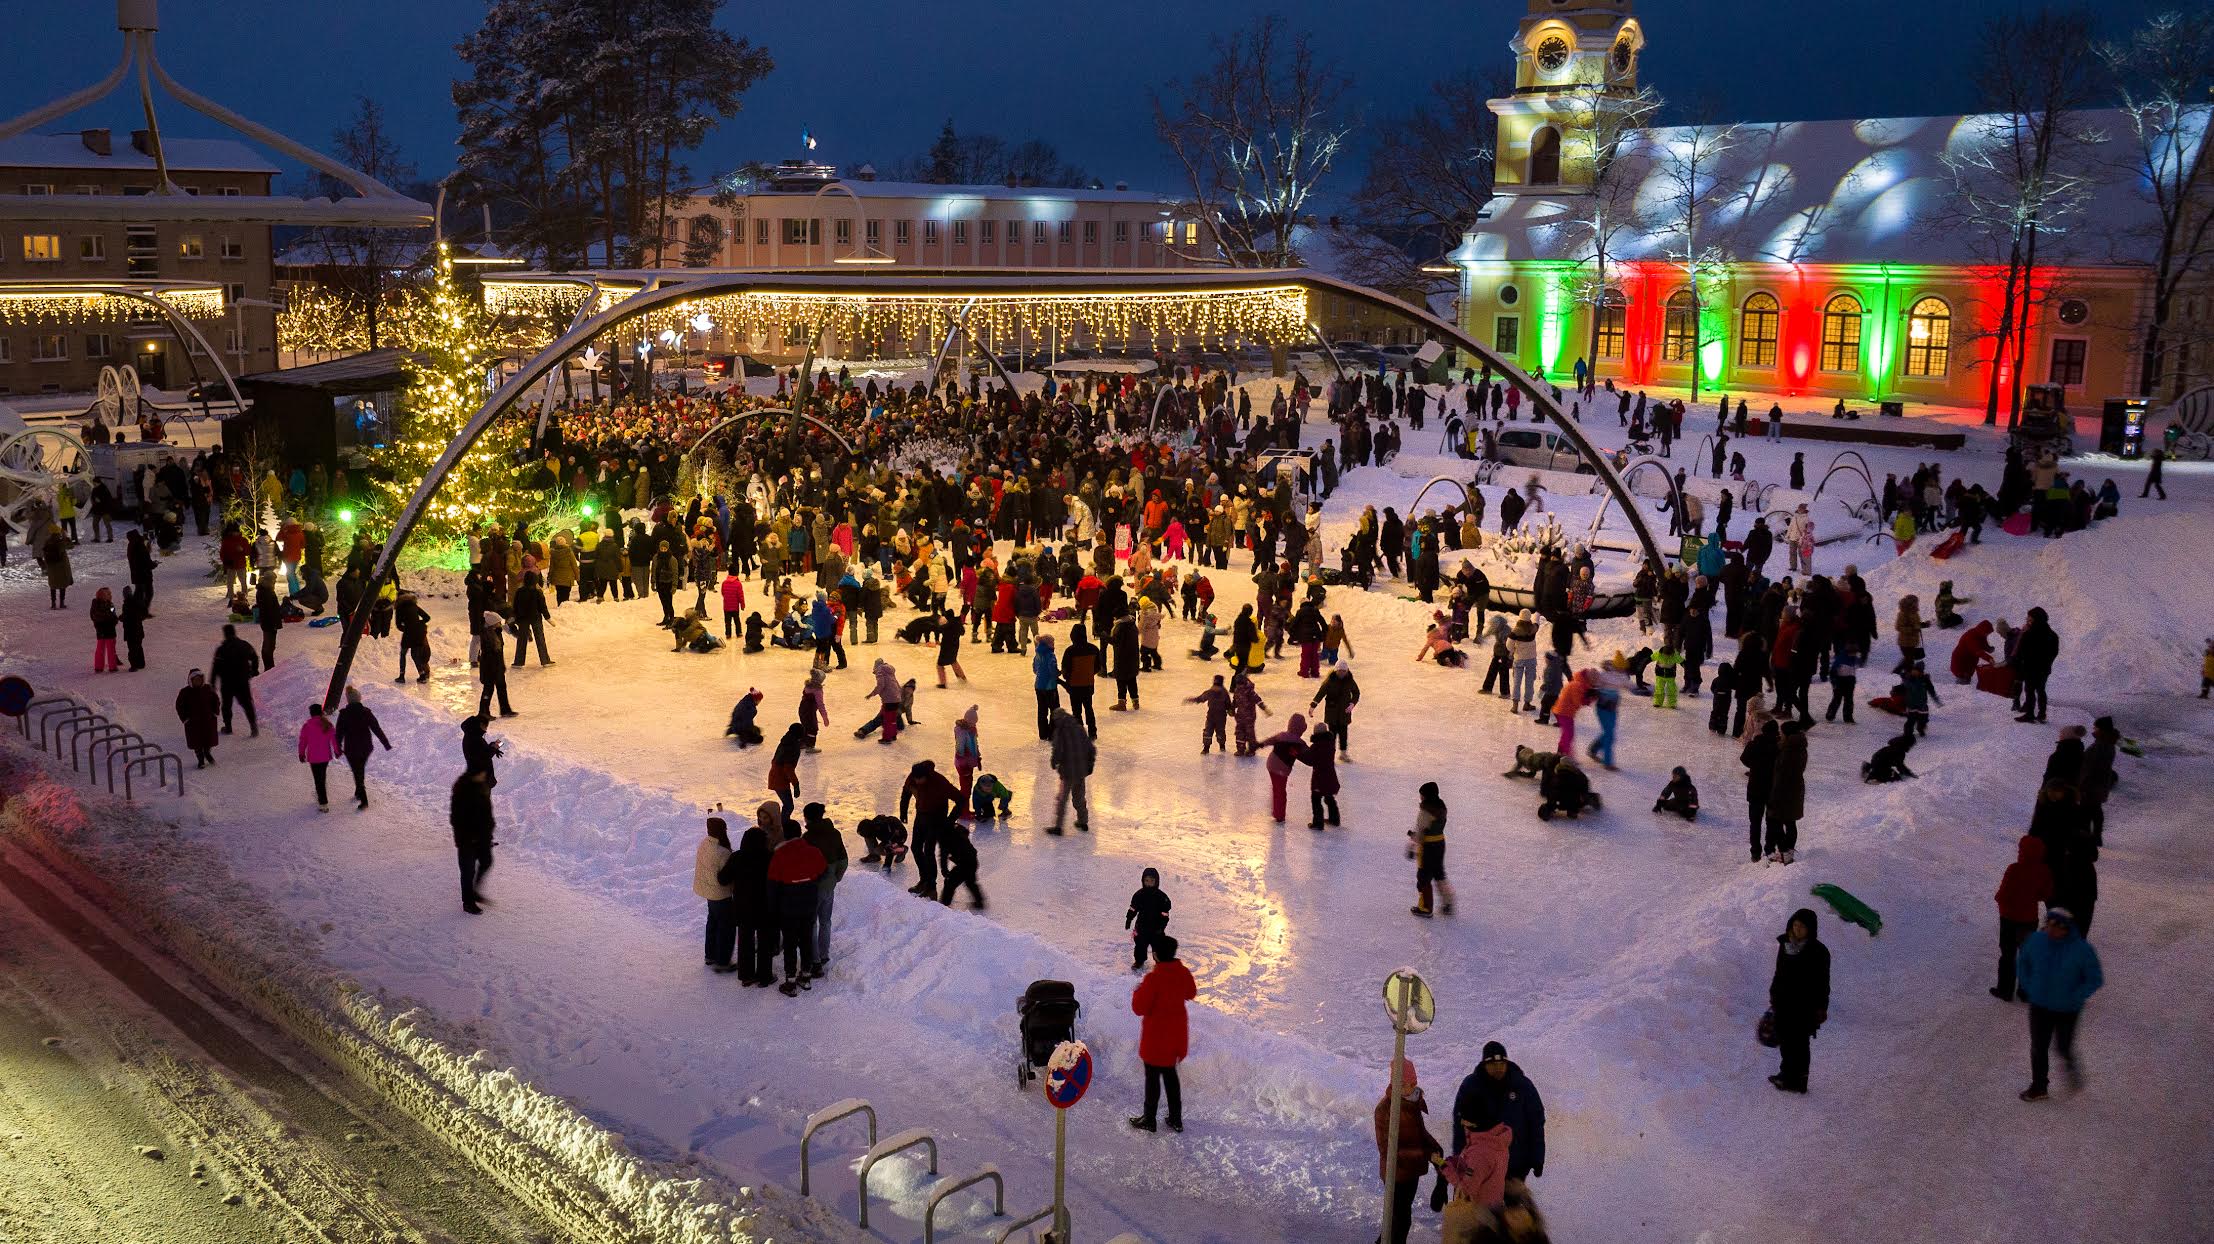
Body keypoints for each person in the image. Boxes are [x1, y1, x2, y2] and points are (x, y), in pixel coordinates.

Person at [2015, 906, 2102, 1100]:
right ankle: (2039, 1087)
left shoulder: (2082, 950)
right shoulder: (2035, 941)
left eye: (2058, 926)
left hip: (2067, 1010)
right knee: (2038, 1047)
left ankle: (2071, 1069)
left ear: (2067, 928)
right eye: (2050, 924)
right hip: (2040, 1006)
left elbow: (2095, 978)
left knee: (2063, 1047)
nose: (2052, 929)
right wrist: (2028, 985)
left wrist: (2076, 996)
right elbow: (2023, 962)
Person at [1450, 1042, 1546, 1185]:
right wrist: (1459, 1159)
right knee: (1487, 1203)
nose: (1498, 1068)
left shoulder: (1522, 1085)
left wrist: (1537, 1157)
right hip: (1482, 1164)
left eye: (1502, 1063)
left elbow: (1536, 1122)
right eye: (1493, 1064)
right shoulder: (1471, 1086)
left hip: (1516, 1163)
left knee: (1512, 1203)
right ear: (1485, 1065)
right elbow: (1460, 1125)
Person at [1129, 935, 1195, 1133]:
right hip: (1175, 1036)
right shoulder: (1182, 973)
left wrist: (1138, 990)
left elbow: (1139, 1007)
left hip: (1155, 1039)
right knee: (1170, 1077)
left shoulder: (1154, 979)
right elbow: (1191, 993)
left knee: (1152, 1079)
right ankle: (1176, 1119)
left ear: (1155, 955)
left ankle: (1149, 1119)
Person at [1374, 1058, 1446, 1244]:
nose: (1411, 1088)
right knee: (1399, 1220)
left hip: (1411, 1172)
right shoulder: (1384, 1110)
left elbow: (1420, 1134)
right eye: (1406, 1084)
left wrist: (1436, 1150)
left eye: (1414, 1083)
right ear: (1395, 1083)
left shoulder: (1412, 1102)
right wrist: (1424, 1154)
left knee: (1400, 1219)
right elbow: (1388, 1150)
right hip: (1395, 1175)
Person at [1766, 908, 1829, 1093]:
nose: (1797, 929)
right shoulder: (1785, 944)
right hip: (1784, 1003)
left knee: (1800, 1044)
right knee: (1786, 1041)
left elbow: (1823, 983)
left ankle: (1800, 1081)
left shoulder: (1819, 952)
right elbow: (1779, 972)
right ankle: (1785, 1075)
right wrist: (1773, 994)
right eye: (1795, 925)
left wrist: (1821, 1007)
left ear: (1810, 929)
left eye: (1802, 927)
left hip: (1805, 1007)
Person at [767, 808, 828, 995]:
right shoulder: (813, 851)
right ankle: (806, 976)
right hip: (809, 902)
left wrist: (773, 908)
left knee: (791, 943)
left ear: (785, 835)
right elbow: (823, 873)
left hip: (788, 906)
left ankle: (791, 981)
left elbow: (773, 885)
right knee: (806, 940)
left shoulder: (780, 855)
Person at [1992, 835, 2052, 1001]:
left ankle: (2005, 990)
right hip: (2029, 919)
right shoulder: (2043, 871)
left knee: (2007, 955)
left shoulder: (2014, 869)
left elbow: (2003, 894)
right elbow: (2046, 893)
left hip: (2009, 919)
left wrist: (2000, 901)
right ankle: (2025, 991)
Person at [730, 821, 777, 987]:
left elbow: (723, 878)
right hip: (765, 907)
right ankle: (765, 977)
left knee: (745, 941)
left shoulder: (737, 857)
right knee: (765, 942)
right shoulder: (770, 857)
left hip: (743, 907)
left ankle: (746, 975)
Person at [332, 686, 391, 809]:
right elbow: (376, 728)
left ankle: (364, 800)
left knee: (357, 770)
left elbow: (339, 733)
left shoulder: (344, 714)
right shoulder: (366, 712)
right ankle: (359, 791)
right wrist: (385, 743)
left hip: (351, 748)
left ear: (348, 700)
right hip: (366, 747)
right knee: (359, 769)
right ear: (359, 699)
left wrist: (337, 748)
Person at [450, 768, 496, 915]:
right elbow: (456, 818)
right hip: (466, 840)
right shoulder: (462, 789)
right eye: (482, 772)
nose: (484, 774)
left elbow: (487, 814)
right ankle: (468, 902)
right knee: (468, 871)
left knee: (486, 861)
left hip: (482, 837)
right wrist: (467, 838)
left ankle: (474, 891)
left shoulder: (482, 787)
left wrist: (488, 833)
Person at [695, 816, 738, 972]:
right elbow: (727, 877)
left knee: (712, 923)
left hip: (708, 892)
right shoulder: (723, 852)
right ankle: (723, 960)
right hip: (721, 895)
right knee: (726, 927)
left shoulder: (704, 844)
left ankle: (710, 955)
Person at [1410, 782, 1455, 917]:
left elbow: (1420, 834)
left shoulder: (1425, 811)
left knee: (1423, 877)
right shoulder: (1441, 807)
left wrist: (1412, 843)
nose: (1420, 797)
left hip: (1428, 847)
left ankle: (1425, 908)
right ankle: (1448, 902)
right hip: (1440, 843)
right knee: (1439, 873)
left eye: (1422, 795)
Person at [1048, 706, 1095, 834]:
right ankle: (1083, 821)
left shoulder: (1060, 732)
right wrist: (1090, 764)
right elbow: (1091, 748)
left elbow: (1058, 750)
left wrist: (1054, 761)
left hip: (1067, 772)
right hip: (1080, 771)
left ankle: (1058, 827)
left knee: (1062, 799)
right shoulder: (1079, 728)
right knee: (1079, 797)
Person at [211, 623, 261, 736]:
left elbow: (216, 667)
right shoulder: (244, 645)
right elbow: (254, 657)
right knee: (247, 703)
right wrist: (254, 670)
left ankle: (228, 727)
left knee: (226, 705)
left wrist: (212, 682)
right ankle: (253, 726)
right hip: (242, 681)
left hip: (227, 682)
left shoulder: (222, 649)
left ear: (225, 634)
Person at [1126, 866, 1172, 970]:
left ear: (1156, 881)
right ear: (1143, 881)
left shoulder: (1161, 897)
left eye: (1152, 881)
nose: (1149, 883)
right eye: (1146, 880)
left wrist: (1162, 926)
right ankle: (1139, 961)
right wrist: (1129, 919)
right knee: (1140, 946)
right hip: (1141, 926)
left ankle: (1160, 962)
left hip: (1157, 928)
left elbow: (1165, 914)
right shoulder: (1139, 895)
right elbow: (1133, 908)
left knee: (1158, 946)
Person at [175, 669, 221, 768]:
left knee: (209, 739)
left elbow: (215, 700)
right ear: (191, 680)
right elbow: (179, 706)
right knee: (197, 742)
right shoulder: (185, 692)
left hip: (208, 720)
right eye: (195, 680)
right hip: (193, 723)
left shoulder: (208, 689)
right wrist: (185, 718)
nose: (198, 681)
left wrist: (215, 712)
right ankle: (200, 759)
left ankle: (207, 753)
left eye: (199, 679)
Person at [297, 702, 338, 811]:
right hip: (325, 758)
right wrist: (337, 751)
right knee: (322, 777)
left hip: (314, 758)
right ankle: (321, 796)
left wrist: (301, 753)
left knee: (318, 779)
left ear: (311, 714)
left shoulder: (307, 726)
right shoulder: (327, 725)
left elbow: (303, 741)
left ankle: (323, 803)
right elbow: (334, 740)